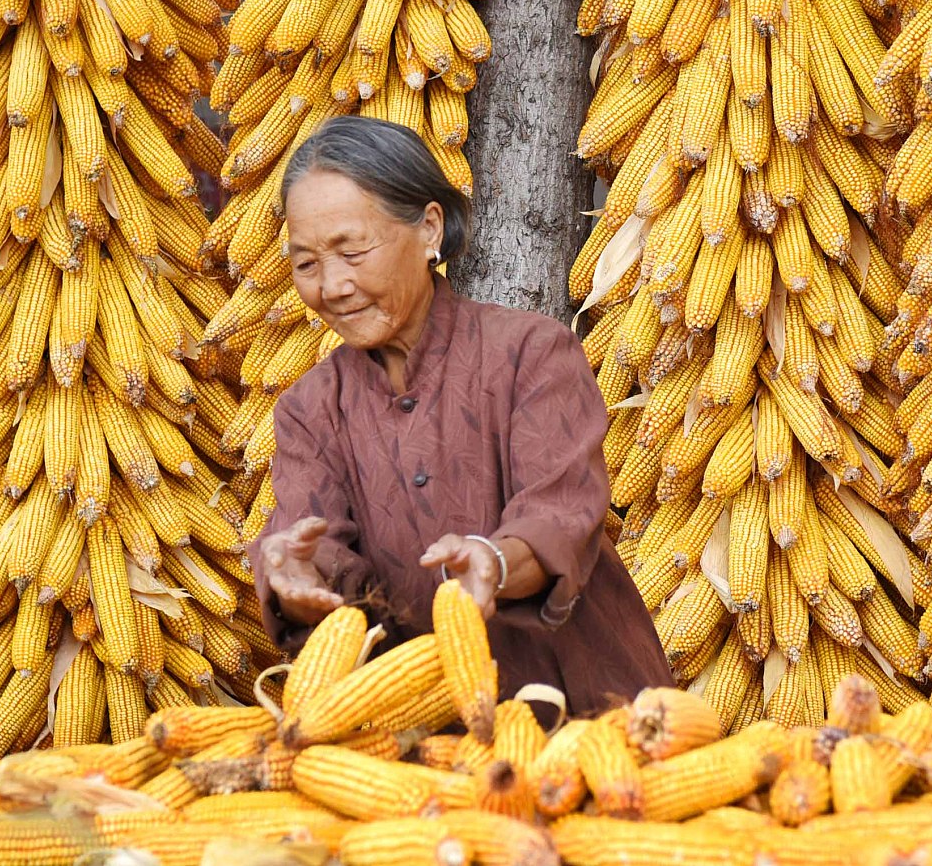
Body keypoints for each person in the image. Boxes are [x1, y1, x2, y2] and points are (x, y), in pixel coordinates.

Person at [253, 115, 673, 713]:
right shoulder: (309, 411)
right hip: (421, 740)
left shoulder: (532, 353)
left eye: (352, 251)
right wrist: (294, 581)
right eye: (306, 264)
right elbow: (318, 551)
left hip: (586, 709)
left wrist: (496, 562)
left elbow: (560, 513)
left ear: (429, 229)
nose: (333, 285)